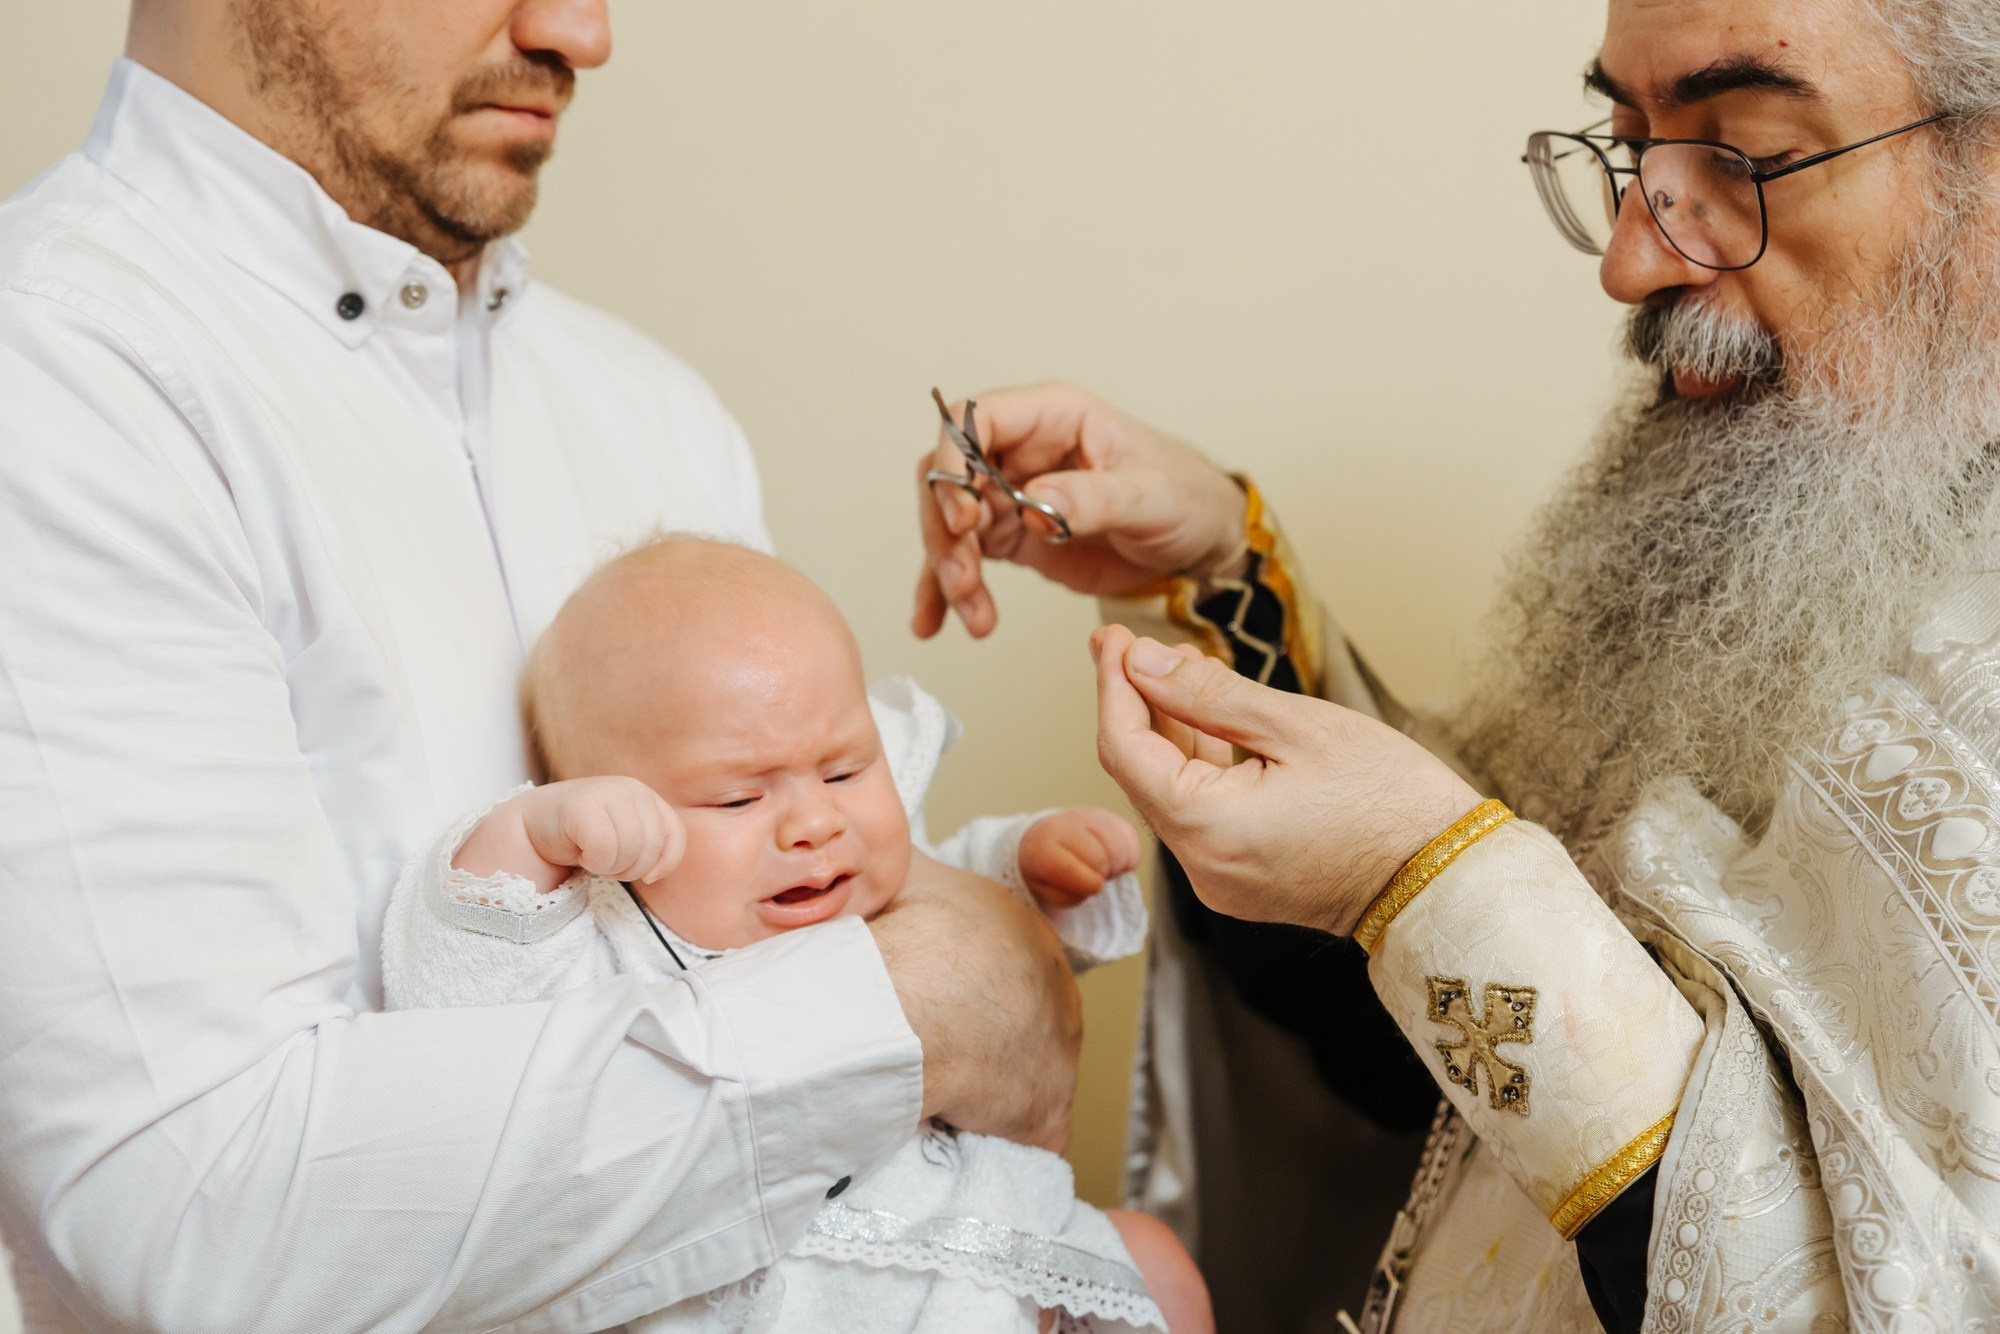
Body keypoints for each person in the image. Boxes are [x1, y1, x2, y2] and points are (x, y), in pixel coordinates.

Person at [913, 0, 2000, 1328]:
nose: (1627, 263)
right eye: (1631, 149)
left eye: (1745, 158)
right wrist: (1226, 578)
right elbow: (1468, 1109)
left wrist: (1423, 881)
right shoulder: (1817, 514)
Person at [0, 2, 1083, 1329]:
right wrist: (922, 1018)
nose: (581, 30)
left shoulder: (654, 412)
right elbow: (195, 1211)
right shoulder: (51, 388)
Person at [381, 535, 1212, 1334]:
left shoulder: (862, 883)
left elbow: (966, 915)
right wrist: (531, 838)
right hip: (800, 1298)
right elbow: (463, 986)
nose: (815, 822)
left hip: (988, 1252)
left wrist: (1025, 873)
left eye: (846, 770)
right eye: (739, 800)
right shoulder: (608, 933)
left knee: (1156, 1260)